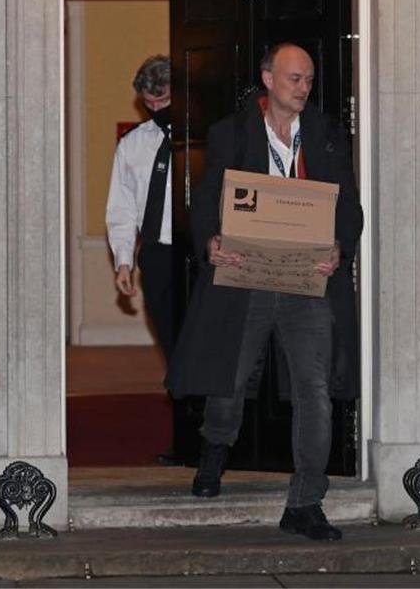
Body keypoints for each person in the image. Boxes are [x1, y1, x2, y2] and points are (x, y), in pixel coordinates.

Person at [165, 43, 363, 541]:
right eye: (295, 79)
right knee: (229, 383)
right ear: (269, 78)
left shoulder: (326, 135)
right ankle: (214, 451)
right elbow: (209, 197)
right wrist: (210, 240)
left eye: (310, 80)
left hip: (306, 283)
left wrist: (340, 245)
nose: (304, 88)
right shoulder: (230, 133)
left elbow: (348, 204)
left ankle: (305, 503)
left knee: (314, 392)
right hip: (245, 278)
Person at [105, 54, 176, 361]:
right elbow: (122, 208)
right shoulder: (131, 144)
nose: (158, 109)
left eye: (164, 100)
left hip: (202, 251)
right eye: (150, 103)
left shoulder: (208, 137)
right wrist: (124, 261)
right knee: (168, 335)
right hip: (157, 253)